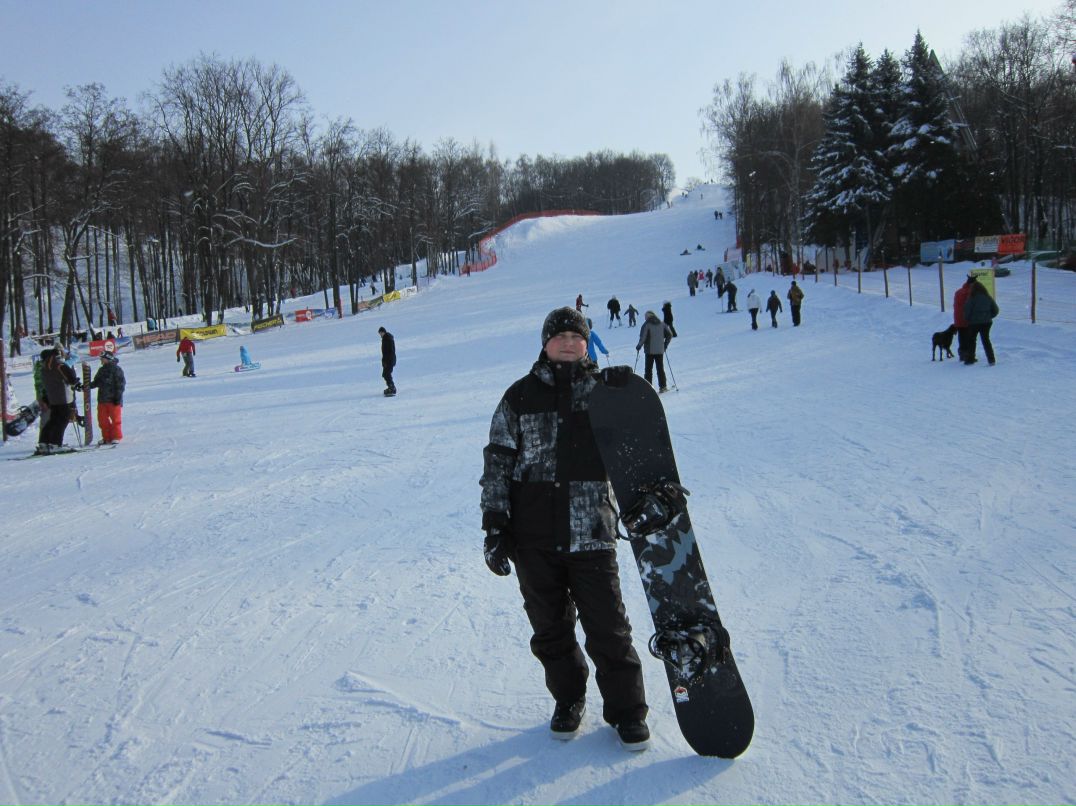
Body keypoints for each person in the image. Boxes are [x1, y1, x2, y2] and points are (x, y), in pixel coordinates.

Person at [480, 307, 650, 749]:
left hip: (591, 531)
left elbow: (638, 449)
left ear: (586, 343)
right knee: (550, 629)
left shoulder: (603, 392)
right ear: (545, 343)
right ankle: (569, 700)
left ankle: (628, 712)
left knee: (609, 627)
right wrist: (495, 525)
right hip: (533, 539)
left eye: (577, 336)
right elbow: (498, 462)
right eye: (561, 337)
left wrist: (628, 396)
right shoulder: (517, 397)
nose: (569, 343)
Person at [38, 346, 80, 452]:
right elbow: (71, 379)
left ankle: (44, 442)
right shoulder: (59, 365)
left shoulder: (44, 368)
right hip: (63, 397)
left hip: (52, 398)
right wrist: (76, 382)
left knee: (53, 420)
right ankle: (56, 444)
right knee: (62, 420)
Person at [89, 346, 125, 444]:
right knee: (102, 420)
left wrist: (117, 397)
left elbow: (120, 384)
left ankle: (116, 436)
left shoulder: (116, 369)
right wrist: (86, 386)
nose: (101, 360)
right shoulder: (102, 370)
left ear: (107, 358)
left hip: (113, 399)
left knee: (115, 419)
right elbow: (96, 382)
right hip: (102, 399)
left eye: (102, 358)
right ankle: (106, 437)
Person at [963, 279, 1000, 365]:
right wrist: (989, 316)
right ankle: (991, 360)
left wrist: (967, 319)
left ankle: (970, 359)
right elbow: (996, 310)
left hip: (974, 323)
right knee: (986, 340)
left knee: (971, 340)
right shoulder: (988, 297)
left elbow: (967, 310)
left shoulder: (971, 298)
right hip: (986, 322)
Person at [636, 310, 673, 392]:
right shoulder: (662, 324)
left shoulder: (646, 325)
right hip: (660, 350)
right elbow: (669, 335)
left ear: (648, 316)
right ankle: (663, 387)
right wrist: (665, 345)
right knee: (660, 368)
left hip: (649, 351)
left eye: (645, 316)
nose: (645, 318)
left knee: (648, 369)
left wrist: (639, 346)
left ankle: (648, 388)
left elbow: (643, 337)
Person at [953, 275, 976, 362]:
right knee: (969, 337)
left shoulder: (958, 292)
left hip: (958, 318)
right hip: (967, 318)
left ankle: (962, 353)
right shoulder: (970, 293)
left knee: (961, 336)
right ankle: (968, 354)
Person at [378, 326, 397, 395]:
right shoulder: (385, 338)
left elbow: (390, 351)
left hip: (389, 360)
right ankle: (391, 387)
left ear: (383, 332)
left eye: (380, 333)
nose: (380, 335)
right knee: (385, 374)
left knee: (386, 374)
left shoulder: (387, 338)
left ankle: (392, 387)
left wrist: (387, 360)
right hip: (388, 360)